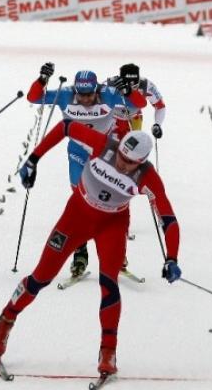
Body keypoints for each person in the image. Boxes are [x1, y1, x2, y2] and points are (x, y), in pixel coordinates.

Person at [0, 123, 181, 377]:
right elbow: (67, 126)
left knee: (109, 284)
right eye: (121, 156)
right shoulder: (103, 145)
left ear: (142, 162)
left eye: (130, 163)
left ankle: (108, 352)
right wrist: (33, 159)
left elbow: (168, 218)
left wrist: (172, 257)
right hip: (76, 217)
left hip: (111, 226)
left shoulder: (148, 177)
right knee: (41, 277)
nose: (122, 164)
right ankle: (5, 321)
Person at [27, 64, 146, 278]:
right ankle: (80, 252)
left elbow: (140, 104)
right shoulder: (66, 95)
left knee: (114, 200)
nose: (84, 99)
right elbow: (34, 98)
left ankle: (119, 254)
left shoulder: (108, 95)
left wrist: (128, 91)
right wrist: (42, 79)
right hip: (77, 152)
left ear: (96, 89)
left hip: (105, 152)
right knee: (80, 199)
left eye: (89, 94)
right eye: (80, 95)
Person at [105, 64, 166, 135]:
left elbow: (160, 106)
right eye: (128, 87)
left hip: (134, 116)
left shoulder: (146, 85)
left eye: (136, 86)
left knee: (135, 140)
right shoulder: (109, 85)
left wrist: (157, 124)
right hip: (113, 116)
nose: (133, 90)